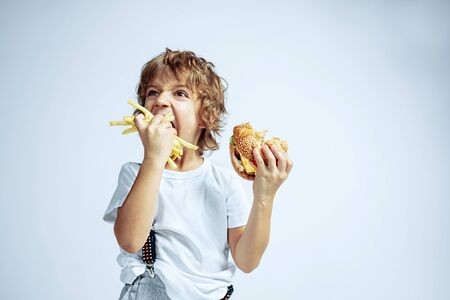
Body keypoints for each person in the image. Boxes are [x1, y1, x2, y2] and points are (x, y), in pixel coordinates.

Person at [103, 48, 293, 300]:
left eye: (179, 93)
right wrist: (154, 158)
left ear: (205, 117)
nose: (160, 101)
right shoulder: (135, 174)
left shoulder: (223, 182)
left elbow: (247, 261)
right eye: (153, 92)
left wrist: (264, 196)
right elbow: (130, 241)